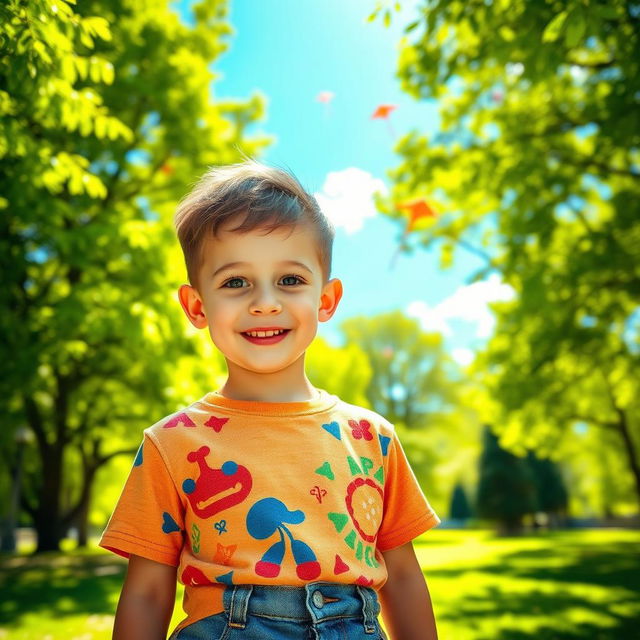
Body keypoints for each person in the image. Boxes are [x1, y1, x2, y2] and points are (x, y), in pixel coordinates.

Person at [100, 160, 440, 639]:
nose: (265, 302)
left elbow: (402, 575)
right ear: (197, 306)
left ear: (326, 299)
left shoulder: (372, 438)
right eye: (236, 282)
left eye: (290, 280)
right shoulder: (170, 443)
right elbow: (146, 593)